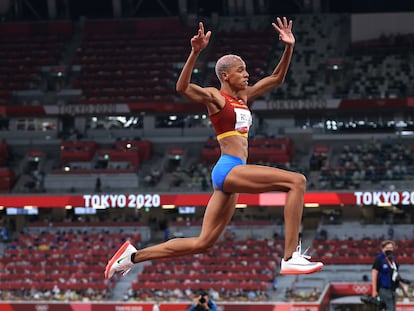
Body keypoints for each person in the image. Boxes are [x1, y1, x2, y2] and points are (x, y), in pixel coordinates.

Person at [105, 17, 323, 280]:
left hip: (234, 174)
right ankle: (290, 257)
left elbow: (276, 78)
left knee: (203, 243)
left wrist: (288, 47)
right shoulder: (215, 97)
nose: (247, 74)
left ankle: (132, 257)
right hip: (228, 168)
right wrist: (195, 52)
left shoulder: (243, 97)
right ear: (225, 75)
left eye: (246, 70)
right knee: (296, 181)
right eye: (241, 70)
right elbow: (182, 88)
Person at [371, 240, 409, 311]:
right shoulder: (380, 259)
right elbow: (374, 273)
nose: (389, 250)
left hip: (392, 290)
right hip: (384, 289)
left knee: (392, 309)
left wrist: (403, 289)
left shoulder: (393, 261)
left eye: (391, 248)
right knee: (389, 308)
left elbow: (396, 276)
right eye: (387, 248)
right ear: (383, 249)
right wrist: (374, 290)